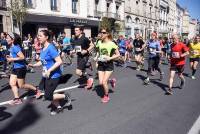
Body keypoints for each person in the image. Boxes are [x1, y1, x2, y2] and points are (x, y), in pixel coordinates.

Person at [29, 30, 71, 115]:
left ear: (46, 37)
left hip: (54, 75)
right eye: (38, 36)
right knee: (48, 94)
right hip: (46, 75)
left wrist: (49, 70)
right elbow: (43, 61)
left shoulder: (50, 48)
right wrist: (35, 65)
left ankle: (65, 96)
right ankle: (59, 107)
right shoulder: (43, 48)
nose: (38, 37)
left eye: (40, 36)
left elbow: (59, 61)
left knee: (48, 96)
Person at [6, 32, 41, 105]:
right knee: (12, 83)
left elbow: (22, 57)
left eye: (7, 38)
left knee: (21, 85)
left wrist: (12, 59)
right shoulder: (11, 47)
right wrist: (10, 58)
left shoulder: (15, 47)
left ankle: (36, 90)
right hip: (15, 67)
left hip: (21, 68)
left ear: (12, 40)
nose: (6, 39)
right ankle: (17, 99)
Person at [94, 28, 120, 103]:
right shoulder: (99, 42)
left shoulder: (112, 44)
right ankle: (111, 80)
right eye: (100, 32)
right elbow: (99, 52)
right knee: (100, 83)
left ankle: (106, 96)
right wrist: (96, 57)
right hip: (101, 64)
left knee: (104, 82)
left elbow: (118, 54)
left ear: (107, 34)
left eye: (103, 32)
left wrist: (110, 57)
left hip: (109, 64)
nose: (101, 34)